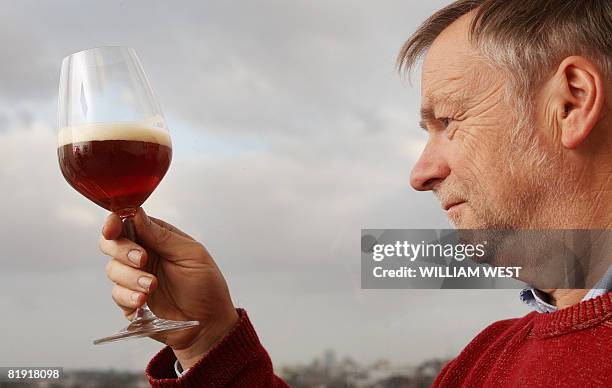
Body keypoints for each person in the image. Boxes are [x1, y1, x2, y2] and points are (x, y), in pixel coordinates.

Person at [99, 0, 612, 387]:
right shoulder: (487, 359)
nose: (421, 173)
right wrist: (208, 338)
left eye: (449, 121)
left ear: (572, 102)